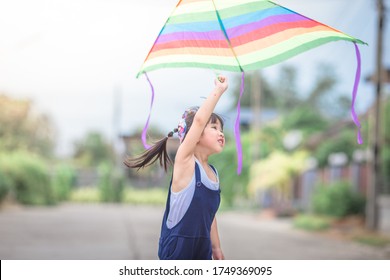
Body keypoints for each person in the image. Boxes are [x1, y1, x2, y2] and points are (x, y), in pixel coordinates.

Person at [124, 75, 228, 260]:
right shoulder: (185, 161)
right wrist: (218, 90)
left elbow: (209, 215)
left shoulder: (213, 173)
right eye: (213, 127)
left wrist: (216, 248)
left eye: (221, 129)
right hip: (178, 245)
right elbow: (197, 121)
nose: (220, 132)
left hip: (202, 245)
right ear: (194, 135)